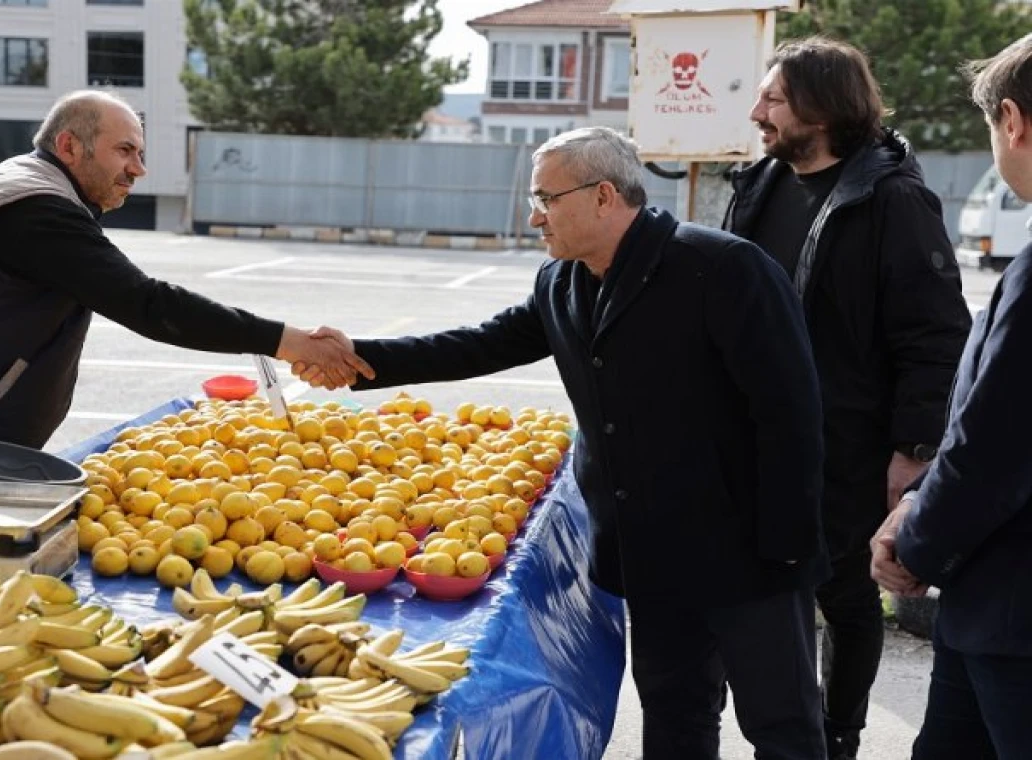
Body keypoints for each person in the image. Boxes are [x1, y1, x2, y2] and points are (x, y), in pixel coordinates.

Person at [296, 126, 829, 759]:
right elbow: (481, 344)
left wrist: (789, 552)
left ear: (604, 195)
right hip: (651, 553)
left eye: (547, 198)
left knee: (783, 728)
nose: (533, 215)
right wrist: (360, 359)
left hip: (748, 557)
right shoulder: (564, 281)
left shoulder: (722, 268)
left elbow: (790, 414)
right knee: (676, 717)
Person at [0, 90, 372, 566]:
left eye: (139, 154)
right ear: (70, 145)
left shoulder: (35, 195)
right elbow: (148, 304)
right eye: (125, 151)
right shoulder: (31, 208)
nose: (138, 169)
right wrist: (292, 341)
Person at [723, 38, 972, 759]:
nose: (756, 112)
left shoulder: (893, 200)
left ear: (822, 108)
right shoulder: (759, 186)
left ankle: (840, 735)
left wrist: (913, 450)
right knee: (775, 587)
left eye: (771, 99)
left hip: (852, 445)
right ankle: (795, 731)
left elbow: (934, 335)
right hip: (763, 439)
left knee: (849, 596)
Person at [871, 33, 1032, 758]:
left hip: (1014, 613)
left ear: (1012, 121)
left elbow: (996, 443)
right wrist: (917, 505)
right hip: (990, 607)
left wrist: (914, 543)